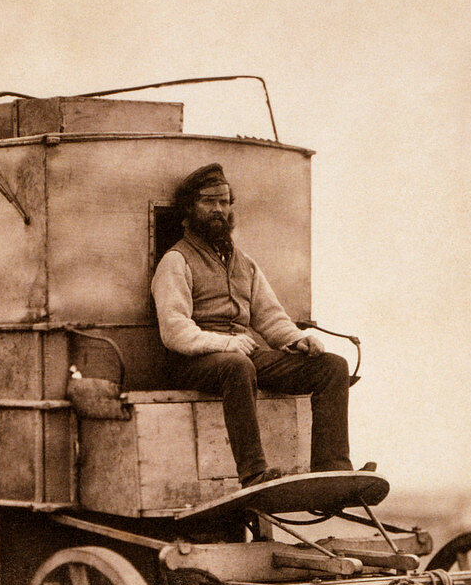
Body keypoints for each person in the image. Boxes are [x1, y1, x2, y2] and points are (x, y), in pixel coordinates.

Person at [151, 163, 354, 487]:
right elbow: (174, 330)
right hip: (191, 362)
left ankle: (333, 467)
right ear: (189, 209)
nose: (219, 209)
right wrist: (224, 343)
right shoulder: (176, 261)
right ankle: (254, 473)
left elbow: (270, 317)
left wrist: (297, 340)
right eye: (209, 201)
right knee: (237, 366)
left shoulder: (244, 263)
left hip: (241, 355)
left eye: (225, 202)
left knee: (331, 367)